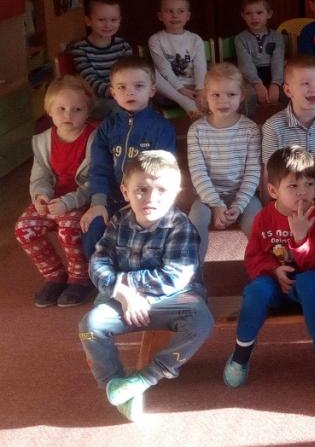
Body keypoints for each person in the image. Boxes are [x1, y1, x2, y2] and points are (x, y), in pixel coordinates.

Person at [78, 150, 212, 421]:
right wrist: (121, 292)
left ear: (176, 194)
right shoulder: (119, 221)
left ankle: (145, 377)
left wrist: (126, 284)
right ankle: (115, 385)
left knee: (201, 321)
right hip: (124, 300)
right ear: (125, 192)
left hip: (174, 299)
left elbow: (174, 276)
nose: (151, 198)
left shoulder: (180, 226)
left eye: (162, 190)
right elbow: (98, 262)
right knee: (89, 327)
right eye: (141, 190)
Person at [224, 146, 315, 388]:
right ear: (273, 191)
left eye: (309, 184)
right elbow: (253, 257)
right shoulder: (263, 218)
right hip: (276, 284)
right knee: (256, 290)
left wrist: (300, 238)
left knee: (310, 280)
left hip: (311, 283)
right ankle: (241, 354)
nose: (303, 192)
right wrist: (274, 270)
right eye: (293, 186)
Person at [79, 57, 177, 258]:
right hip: (112, 198)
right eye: (122, 87)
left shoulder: (161, 128)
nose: (130, 92)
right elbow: (99, 168)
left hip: (146, 199)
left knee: (134, 235)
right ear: (113, 93)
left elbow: (163, 173)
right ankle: (97, 275)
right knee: (93, 227)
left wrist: (140, 202)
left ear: (152, 90)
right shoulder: (107, 127)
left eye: (138, 86)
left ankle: (132, 274)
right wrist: (98, 202)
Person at [16, 75, 97, 307]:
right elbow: (39, 175)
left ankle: (80, 278)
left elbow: (95, 181)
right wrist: (40, 196)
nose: (68, 115)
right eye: (61, 109)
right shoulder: (43, 141)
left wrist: (68, 202)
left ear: (87, 112)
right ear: (49, 111)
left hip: (82, 200)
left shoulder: (94, 138)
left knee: (69, 228)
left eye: (77, 109)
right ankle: (55, 276)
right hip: (53, 199)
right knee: (24, 228)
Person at [186, 64, 262, 263]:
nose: (223, 101)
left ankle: (262, 269)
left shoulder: (250, 129)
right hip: (207, 197)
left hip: (243, 196)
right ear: (206, 96)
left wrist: (239, 204)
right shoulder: (197, 130)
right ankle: (193, 272)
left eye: (231, 94)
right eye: (216, 95)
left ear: (241, 95)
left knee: (258, 226)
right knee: (195, 222)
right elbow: (198, 173)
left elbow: (253, 172)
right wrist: (216, 205)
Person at [260, 56, 315, 207]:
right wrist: (268, 207)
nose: (314, 89)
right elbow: (269, 172)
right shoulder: (273, 126)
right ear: (288, 90)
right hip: (288, 199)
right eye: (305, 83)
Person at [67, 0, 130, 117]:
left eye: (113, 20)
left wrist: (128, 91)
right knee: (117, 109)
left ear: (119, 21)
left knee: (143, 103)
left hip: (122, 94)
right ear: (88, 21)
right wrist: (116, 93)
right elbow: (90, 81)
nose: (108, 25)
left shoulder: (123, 45)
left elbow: (129, 74)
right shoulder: (80, 49)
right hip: (96, 98)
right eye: (101, 20)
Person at [147, 0, 206, 116]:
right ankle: (186, 103)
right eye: (169, 11)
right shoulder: (156, 40)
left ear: (188, 16)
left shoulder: (195, 39)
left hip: (194, 89)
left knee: (215, 76)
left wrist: (200, 90)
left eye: (180, 11)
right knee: (149, 71)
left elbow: (200, 67)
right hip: (169, 93)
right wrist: (181, 89)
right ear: (160, 16)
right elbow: (164, 68)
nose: (175, 15)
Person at [233, 0, 283, 111]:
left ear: (269, 14)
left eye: (259, 12)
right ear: (243, 15)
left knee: (291, 91)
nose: (254, 17)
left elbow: (278, 62)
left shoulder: (277, 37)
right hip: (250, 77)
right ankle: (248, 121)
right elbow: (245, 64)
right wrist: (257, 84)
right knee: (248, 95)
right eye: (248, 13)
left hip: (274, 74)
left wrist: (275, 83)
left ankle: (287, 121)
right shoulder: (240, 39)